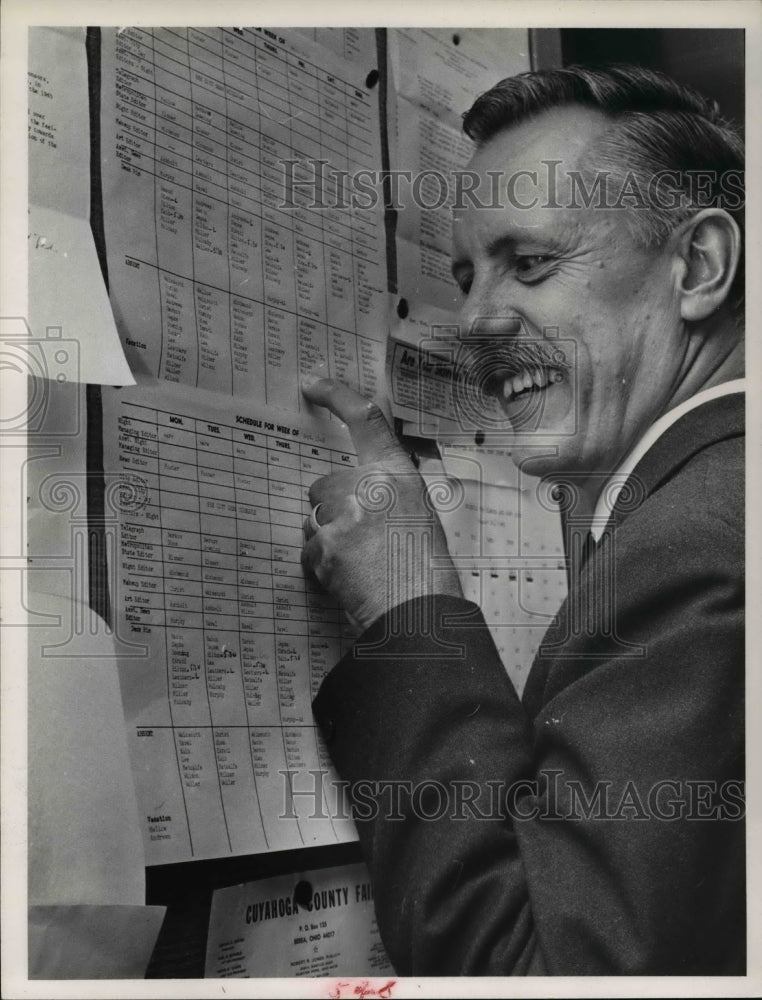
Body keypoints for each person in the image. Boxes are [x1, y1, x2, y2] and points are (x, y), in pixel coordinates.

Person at [300, 65, 745, 975]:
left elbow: (532, 972)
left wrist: (408, 608)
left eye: (532, 264)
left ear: (698, 267)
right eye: (468, 278)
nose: (476, 324)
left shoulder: (696, 545)